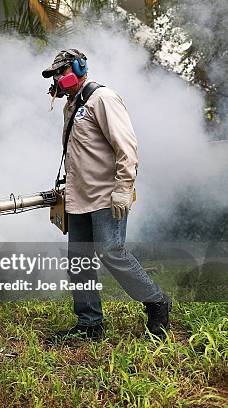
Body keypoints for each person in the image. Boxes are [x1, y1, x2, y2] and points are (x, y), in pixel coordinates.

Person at [41, 49, 171, 340]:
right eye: (55, 75)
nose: (59, 79)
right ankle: (89, 324)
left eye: (62, 72)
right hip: (78, 197)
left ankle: (157, 301)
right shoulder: (71, 105)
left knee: (111, 251)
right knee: (80, 260)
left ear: (78, 68)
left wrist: (124, 189)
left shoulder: (103, 98)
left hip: (105, 196)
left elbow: (127, 148)